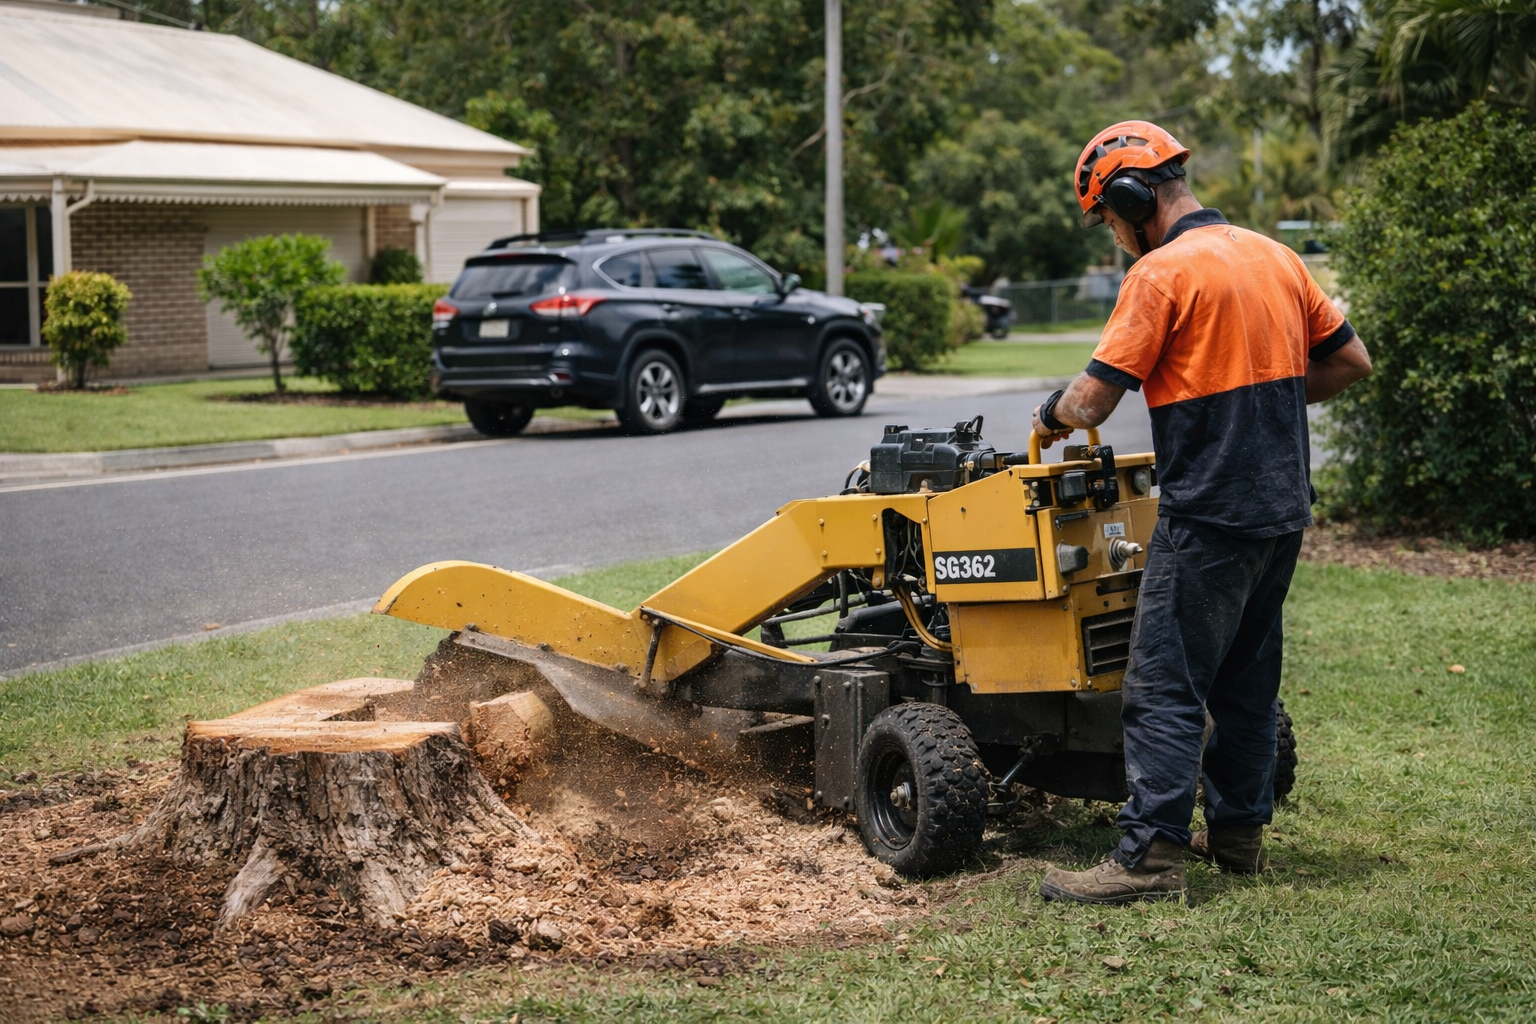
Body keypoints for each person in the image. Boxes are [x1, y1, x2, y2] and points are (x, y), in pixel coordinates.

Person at [1031, 121, 1373, 904]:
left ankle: (1148, 860)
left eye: (1108, 218)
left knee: (1161, 687)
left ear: (1128, 197)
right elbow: (1350, 361)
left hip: (1210, 511)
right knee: (1246, 686)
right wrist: (1277, 397)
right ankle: (1240, 839)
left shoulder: (1162, 273)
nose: (1113, 235)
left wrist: (1051, 414)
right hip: (1281, 510)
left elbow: (1092, 400)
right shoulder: (1275, 257)